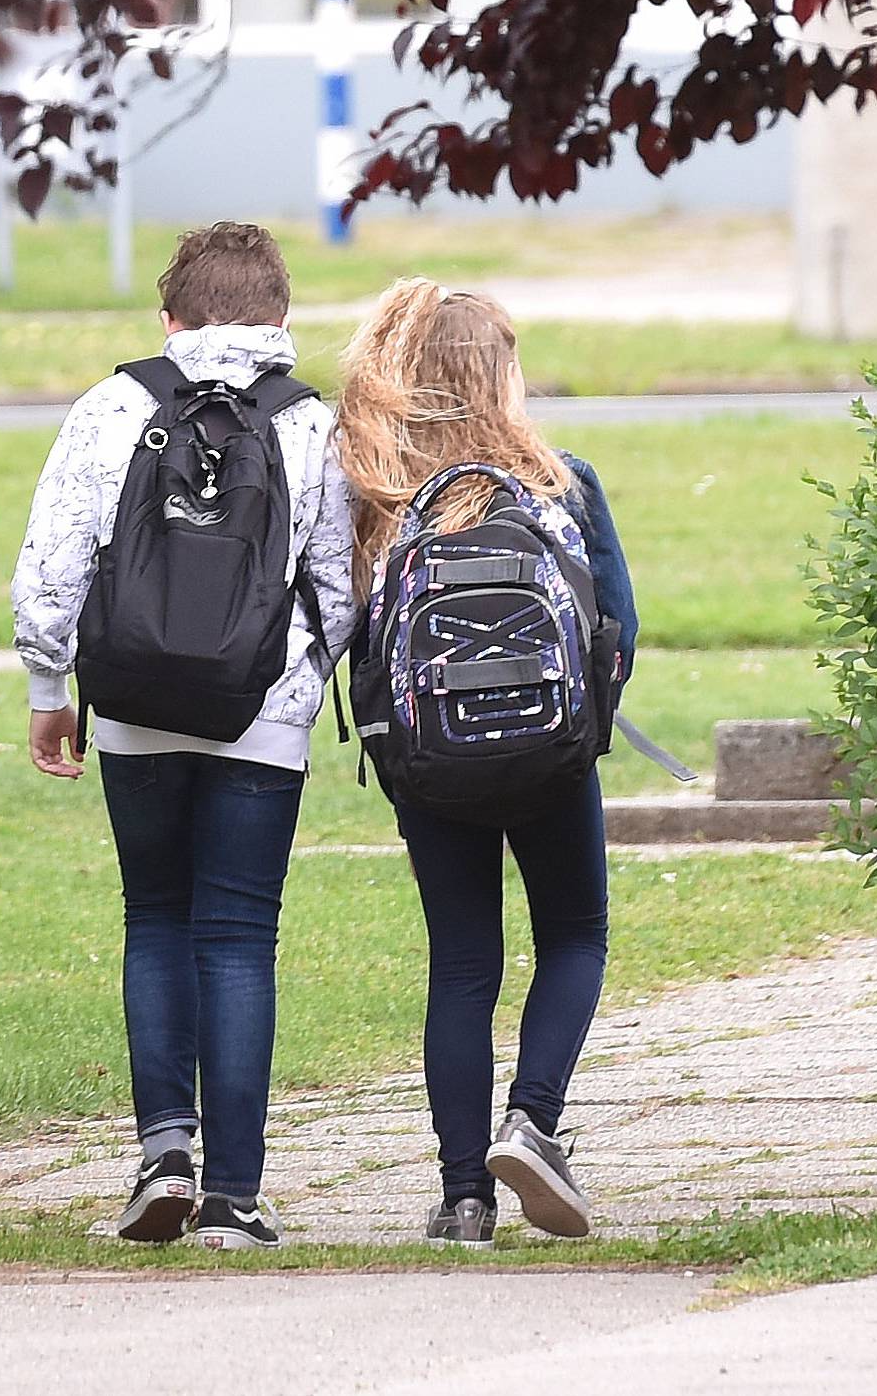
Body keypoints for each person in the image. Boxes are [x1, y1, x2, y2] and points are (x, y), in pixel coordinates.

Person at [11, 220, 355, 1252]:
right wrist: (295, 684)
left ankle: (165, 1150)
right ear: (280, 319)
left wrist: (47, 681)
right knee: (240, 934)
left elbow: (55, 554)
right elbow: (341, 583)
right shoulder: (310, 425)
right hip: (262, 714)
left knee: (155, 915)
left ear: (168, 317)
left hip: (131, 701)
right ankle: (236, 1197)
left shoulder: (113, 404)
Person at [332, 279, 638, 1246]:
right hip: (551, 759)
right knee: (575, 935)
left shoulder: (381, 498)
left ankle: (464, 1195)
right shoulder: (562, 482)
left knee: (463, 964)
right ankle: (534, 1123)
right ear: (503, 376)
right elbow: (618, 629)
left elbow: (359, 639)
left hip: (430, 768)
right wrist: (580, 730)